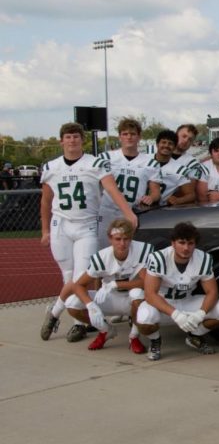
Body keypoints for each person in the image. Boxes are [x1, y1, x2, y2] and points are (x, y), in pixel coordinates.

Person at [39, 122, 139, 342]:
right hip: (61, 225)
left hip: (86, 225)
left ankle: (58, 314)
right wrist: (45, 229)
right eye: (68, 137)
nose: (72, 140)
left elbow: (113, 190)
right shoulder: (51, 167)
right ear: (61, 141)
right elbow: (46, 201)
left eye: (76, 136)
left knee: (81, 277)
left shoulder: (96, 164)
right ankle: (74, 319)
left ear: (81, 140)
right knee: (67, 276)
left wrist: (128, 213)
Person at [135, 222, 219, 361]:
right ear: (173, 243)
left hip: (187, 300)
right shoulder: (158, 258)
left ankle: (195, 336)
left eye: (190, 243)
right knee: (144, 320)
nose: (186, 248)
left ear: (195, 244)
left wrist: (200, 314)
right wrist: (175, 314)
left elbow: (212, 292)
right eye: (182, 242)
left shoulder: (203, 259)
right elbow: (150, 294)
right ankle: (155, 341)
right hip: (163, 302)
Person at [65, 218, 152, 352]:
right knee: (72, 303)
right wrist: (90, 305)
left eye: (126, 239)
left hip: (133, 299)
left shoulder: (142, 249)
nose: (122, 243)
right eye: (118, 239)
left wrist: (116, 284)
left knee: (137, 293)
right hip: (109, 297)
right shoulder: (102, 257)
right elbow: (78, 285)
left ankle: (134, 336)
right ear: (110, 238)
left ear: (131, 237)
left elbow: (147, 282)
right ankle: (106, 330)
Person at [97, 118, 161, 248]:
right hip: (107, 210)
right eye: (125, 134)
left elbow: (156, 191)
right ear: (120, 136)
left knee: (126, 250)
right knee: (102, 250)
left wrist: (151, 197)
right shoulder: (105, 158)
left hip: (132, 211)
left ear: (139, 137)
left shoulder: (150, 162)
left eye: (133, 134)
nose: (129, 137)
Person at [155, 130, 197, 206]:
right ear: (157, 144)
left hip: (159, 210)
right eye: (163, 142)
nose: (166, 145)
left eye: (170, 143)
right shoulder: (145, 160)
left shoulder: (180, 169)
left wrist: (178, 200)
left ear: (174, 147)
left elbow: (191, 195)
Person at [164, 124, 202, 206]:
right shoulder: (157, 152)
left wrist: (178, 200)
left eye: (190, 139)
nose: (185, 141)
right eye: (183, 136)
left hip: (167, 207)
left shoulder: (192, 163)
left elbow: (190, 194)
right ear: (175, 135)